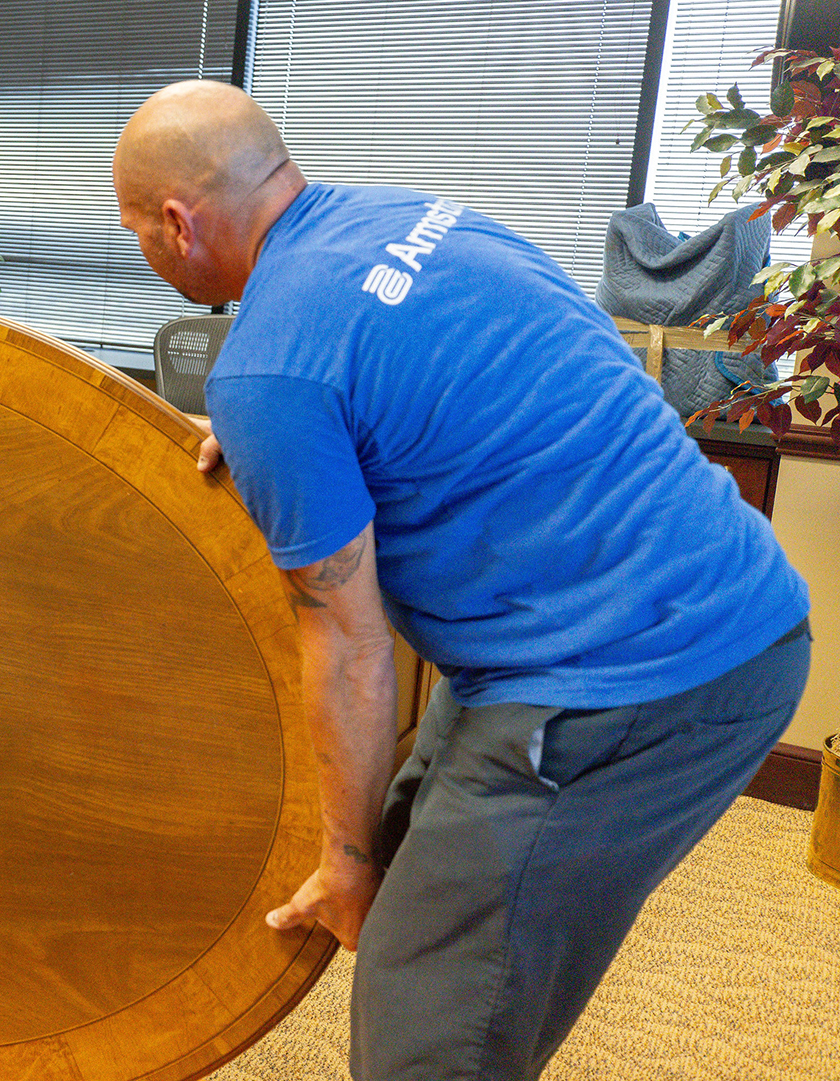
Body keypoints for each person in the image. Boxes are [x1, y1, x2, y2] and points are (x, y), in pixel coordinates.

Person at [111, 80, 810, 1081]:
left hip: (638, 676)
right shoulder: (420, 217)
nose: (145, 249)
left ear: (175, 224)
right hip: (719, 597)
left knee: (426, 1027)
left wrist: (341, 868)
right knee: (405, 849)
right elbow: (444, 381)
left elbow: (349, 649)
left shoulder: (272, 367)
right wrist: (291, 443)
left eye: (136, 230)